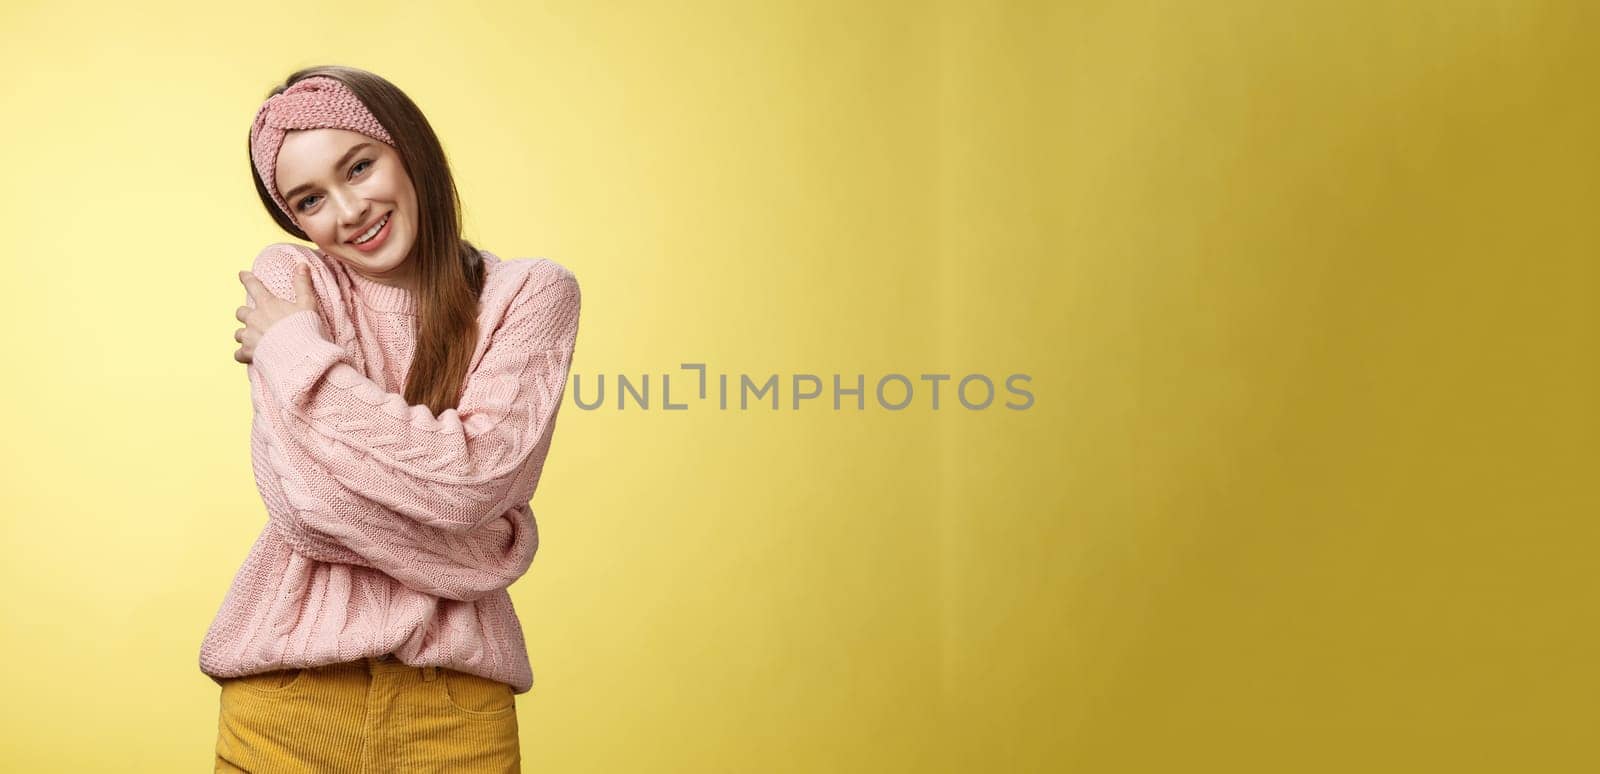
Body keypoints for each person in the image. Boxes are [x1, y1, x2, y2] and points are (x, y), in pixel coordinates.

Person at [200, 64, 582, 772]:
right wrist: (474, 548)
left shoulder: (528, 295)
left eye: (360, 166)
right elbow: (304, 507)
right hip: (285, 702)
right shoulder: (294, 281)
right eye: (310, 199)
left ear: (409, 148)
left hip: (458, 714)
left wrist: (296, 353)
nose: (347, 211)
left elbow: (475, 483)